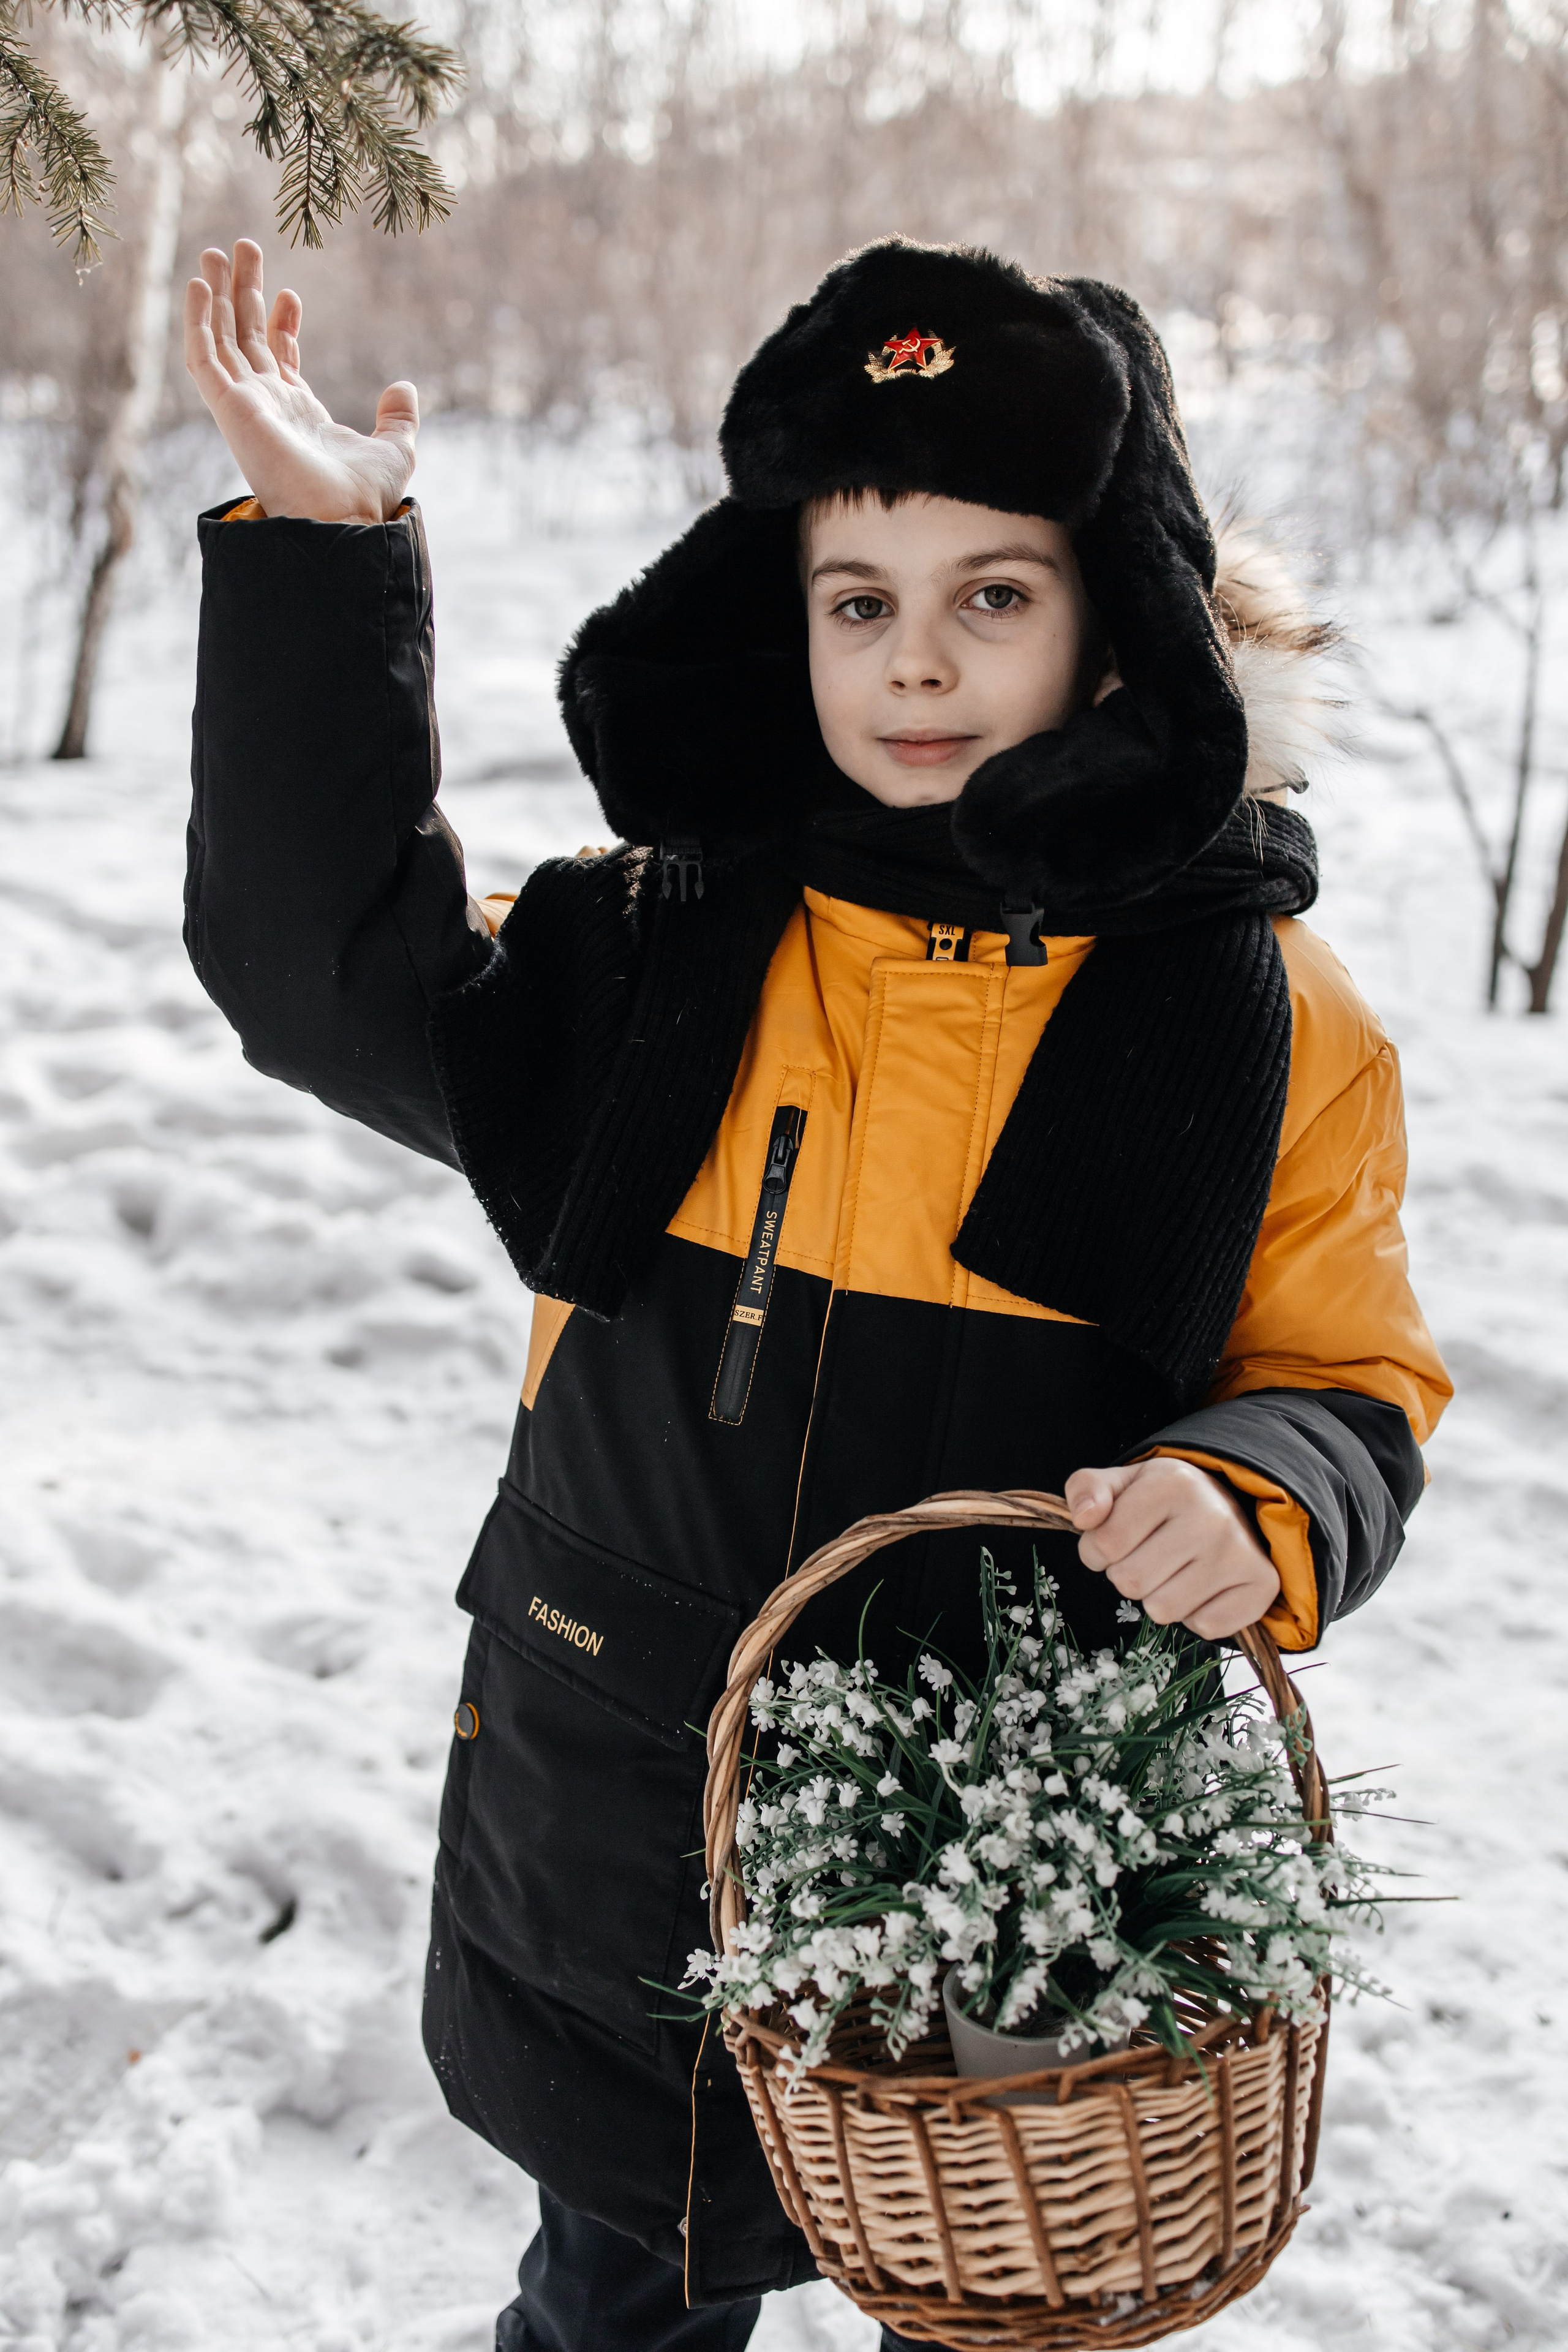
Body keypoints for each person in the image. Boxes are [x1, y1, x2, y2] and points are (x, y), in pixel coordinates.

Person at [183, 235, 1450, 2351]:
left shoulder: (1259, 1022)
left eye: (995, 596)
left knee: (979, 2289)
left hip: (999, 1854)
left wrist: (1257, 1496)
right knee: (622, 2274)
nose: (918, 664)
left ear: (1121, 621)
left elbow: (1346, 1378)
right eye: (861, 602)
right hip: (617, 1789)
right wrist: (326, 558)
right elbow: (324, 983)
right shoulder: (666, 950)